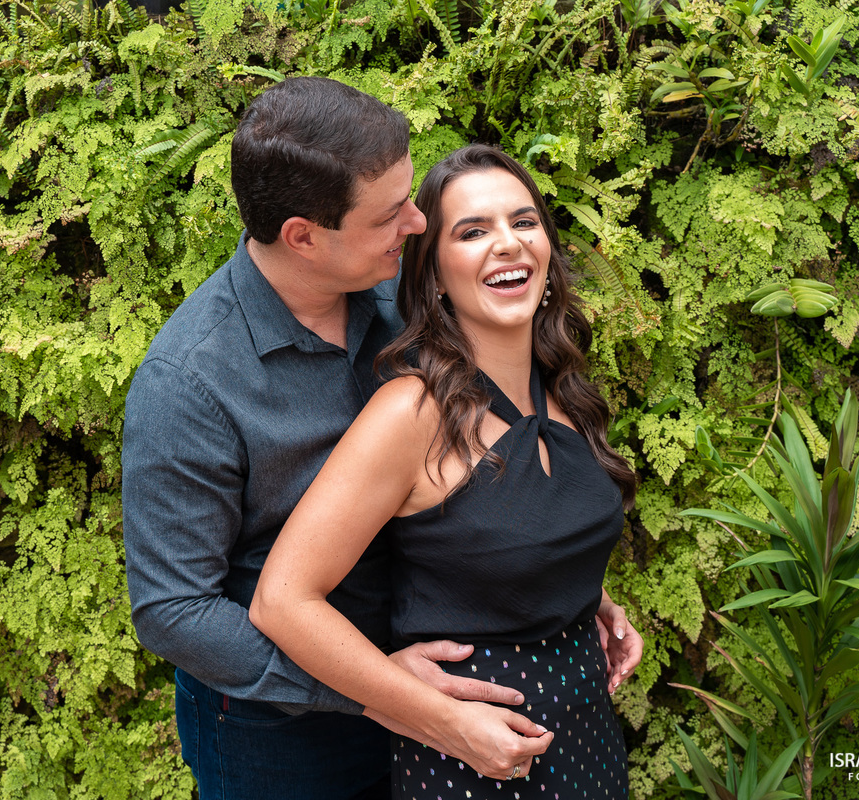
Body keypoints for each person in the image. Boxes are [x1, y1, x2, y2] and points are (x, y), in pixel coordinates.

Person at [124, 78, 641, 799]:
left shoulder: (397, 299)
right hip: (283, 729)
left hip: (442, 688)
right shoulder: (189, 382)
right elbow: (173, 610)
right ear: (304, 235)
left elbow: (477, 487)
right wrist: (380, 690)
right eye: (389, 213)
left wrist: (555, 580)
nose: (417, 224)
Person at [250, 144, 641, 798]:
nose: (508, 244)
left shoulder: (563, 392)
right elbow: (282, 601)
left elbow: (502, 541)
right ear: (433, 274)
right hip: (471, 763)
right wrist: (443, 721)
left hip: (590, 744)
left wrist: (588, 597)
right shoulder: (412, 414)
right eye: (473, 231)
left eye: (524, 222)